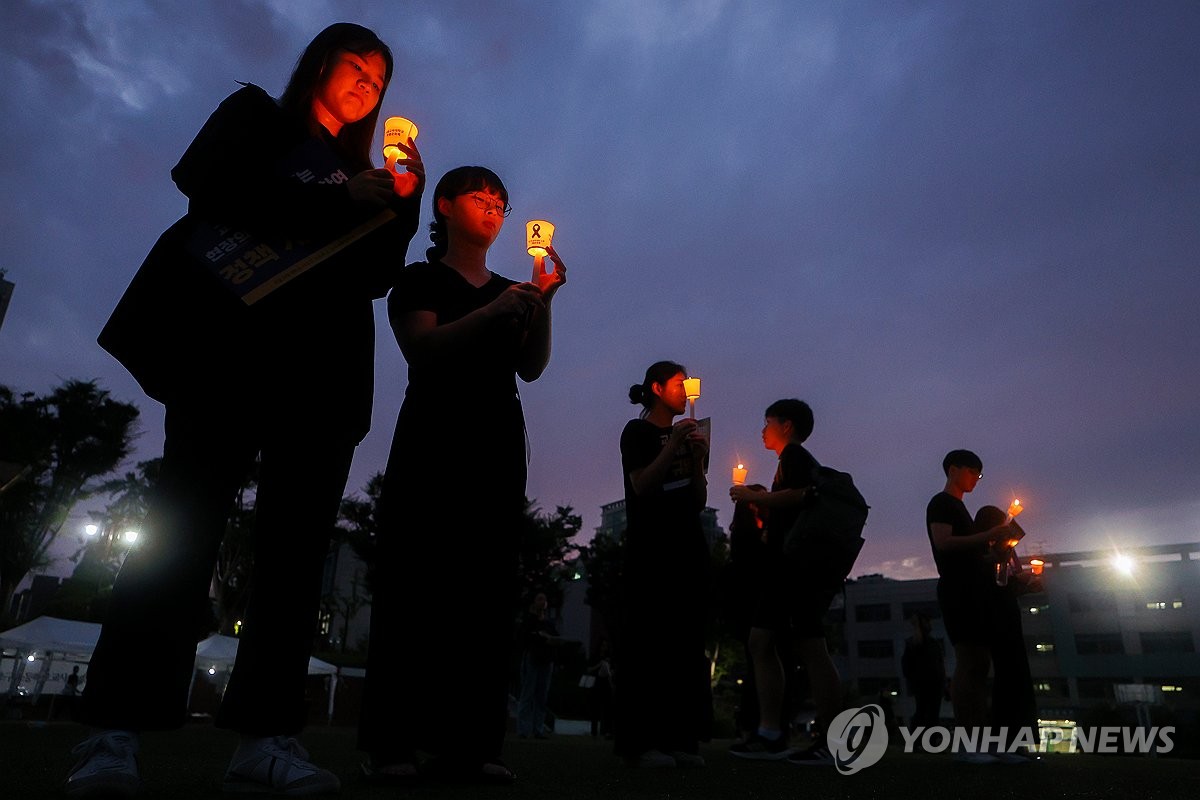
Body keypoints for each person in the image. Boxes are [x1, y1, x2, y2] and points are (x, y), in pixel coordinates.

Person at [72, 23, 422, 798]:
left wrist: (403, 198)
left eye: (381, 79)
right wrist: (327, 198)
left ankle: (267, 738)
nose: (368, 83)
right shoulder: (257, 121)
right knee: (182, 528)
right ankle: (114, 732)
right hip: (225, 356)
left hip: (322, 373)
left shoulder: (364, 172)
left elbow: (375, 275)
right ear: (319, 64)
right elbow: (207, 185)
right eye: (356, 64)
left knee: (296, 555)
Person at [357, 166, 566, 785]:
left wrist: (542, 302)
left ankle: (473, 746)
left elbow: (530, 366)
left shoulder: (512, 288)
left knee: (484, 592)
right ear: (444, 206)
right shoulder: (420, 278)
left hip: (495, 441)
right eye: (481, 198)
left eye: (502, 201)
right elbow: (423, 349)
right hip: (433, 438)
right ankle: (393, 742)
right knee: (414, 584)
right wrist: (496, 309)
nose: (495, 208)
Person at [728, 399, 845, 765]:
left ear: (787, 426)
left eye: (767, 422)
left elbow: (803, 496)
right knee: (765, 642)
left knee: (807, 648)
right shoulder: (791, 461)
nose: (762, 429)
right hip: (790, 569)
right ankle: (771, 734)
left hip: (794, 570)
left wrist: (750, 496)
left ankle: (825, 741)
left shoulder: (794, 457)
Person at [613, 361, 712, 769]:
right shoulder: (637, 432)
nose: (686, 389)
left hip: (687, 543)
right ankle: (641, 742)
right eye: (678, 383)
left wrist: (700, 462)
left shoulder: (689, 433)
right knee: (649, 643)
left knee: (684, 644)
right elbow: (641, 485)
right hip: (651, 547)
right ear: (657, 387)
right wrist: (671, 445)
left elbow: (698, 499)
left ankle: (680, 738)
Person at [924, 450, 1017, 764]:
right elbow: (944, 543)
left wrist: (996, 555)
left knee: (980, 664)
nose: (976, 479)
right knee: (969, 661)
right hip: (958, 590)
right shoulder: (942, 503)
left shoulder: (959, 507)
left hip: (973, 589)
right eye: (973, 472)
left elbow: (970, 556)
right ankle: (967, 744)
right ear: (954, 470)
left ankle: (982, 740)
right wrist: (988, 535)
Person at [975, 505, 1041, 757]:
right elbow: (992, 583)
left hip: (1008, 614)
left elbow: (1009, 583)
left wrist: (1028, 584)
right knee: (1008, 674)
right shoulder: (982, 551)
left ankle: (1018, 740)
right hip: (996, 616)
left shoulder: (1004, 550)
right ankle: (1007, 740)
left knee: (1016, 674)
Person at [517, 592, 560, 738]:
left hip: (546, 661)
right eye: (539, 599)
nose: (543, 602)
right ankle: (524, 729)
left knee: (541, 696)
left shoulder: (549, 623)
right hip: (533, 659)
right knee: (528, 694)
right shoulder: (529, 620)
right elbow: (524, 637)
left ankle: (538, 729)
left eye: (544, 599)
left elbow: (556, 637)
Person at [901, 612, 945, 730]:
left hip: (934, 685)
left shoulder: (933, 643)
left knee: (932, 714)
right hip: (924, 685)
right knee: (923, 712)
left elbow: (940, 665)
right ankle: (919, 742)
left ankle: (931, 743)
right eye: (926, 622)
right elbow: (906, 667)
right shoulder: (914, 643)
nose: (929, 624)